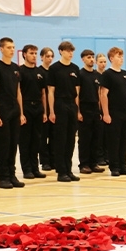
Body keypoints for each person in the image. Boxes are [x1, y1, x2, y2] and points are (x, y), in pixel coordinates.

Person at [0, 37, 25, 189]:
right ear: (1, 49)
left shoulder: (16, 68)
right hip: (2, 109)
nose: (12, 50)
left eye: (13, 47)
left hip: (14, 110)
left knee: (13, 144)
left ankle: (12, 174)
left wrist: (21, 113)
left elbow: (18, 92)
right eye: (9, 47)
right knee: (3, 145)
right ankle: (3, 177)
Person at [47, 41, 81, 182]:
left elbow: (77, 91)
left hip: (72, 104)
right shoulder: (54, 68)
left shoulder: (75, 68)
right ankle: (61, 171)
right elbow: (50, 91)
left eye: (72, 51)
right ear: (61, 51)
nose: (70, 53)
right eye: (67, 51)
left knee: (71, 139)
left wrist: (77, 109)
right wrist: (52, 111)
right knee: (61, 139)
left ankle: (68, 169)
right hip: (60, 104)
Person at [100, 47, 126, 176]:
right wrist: (106, 113)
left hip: (125, 111)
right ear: (111, 58)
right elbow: (103, 94)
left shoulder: (125, 74)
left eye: (122, 56)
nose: (121, 58)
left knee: (124, 140)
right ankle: (114, 167)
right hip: (114, 112)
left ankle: (122, 165)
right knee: (114, 140)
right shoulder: (107, 74)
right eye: (118, 56)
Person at [18, 44, 47, 179]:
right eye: (31, 53)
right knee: (25, 140)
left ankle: (35, 168)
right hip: (26, 106)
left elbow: (43, 93)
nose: (34, 56)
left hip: (38, 107)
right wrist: (21, 113)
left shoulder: (40, 72)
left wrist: (45, 112)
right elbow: (18, 93)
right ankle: (27, 169)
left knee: (37, 140)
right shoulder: (20, 71)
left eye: (35, 53)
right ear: (24, 54)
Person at [77, 49, 103, 174]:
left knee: (95, 137)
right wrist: (78, 111)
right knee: (85, 138)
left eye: (92, 57)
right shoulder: (80, 74)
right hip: (84, 107)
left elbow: (99, 93)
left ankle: (94, 163)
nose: (91, 59)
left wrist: (100, 110)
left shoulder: (96, 75)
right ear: (83, 59)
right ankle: (84, 164)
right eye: (88, 57)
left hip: (95, 109)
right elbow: (77, 94)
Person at [38, 47, 55, 171]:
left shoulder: (53, 71)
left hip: (54, 107)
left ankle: (53, 159)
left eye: (51, 56)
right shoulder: (39, 72)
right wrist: (44, 111)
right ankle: (44, 161)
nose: (50, 59)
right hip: (44, 108)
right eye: (47, 56)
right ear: (42, 57)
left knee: (54, 135)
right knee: (43, 136)